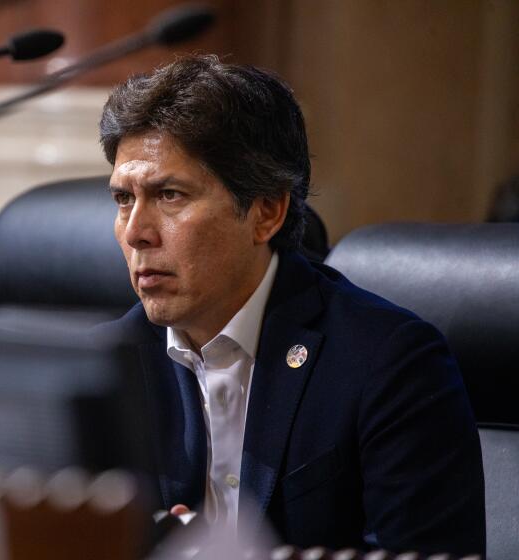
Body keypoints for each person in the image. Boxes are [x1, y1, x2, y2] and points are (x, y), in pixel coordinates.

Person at [96, 55, 484, 555]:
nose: (136, 233)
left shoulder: (390, 365)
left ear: (266, 212)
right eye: (123, 199)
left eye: (169, 195)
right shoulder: (104, 367)